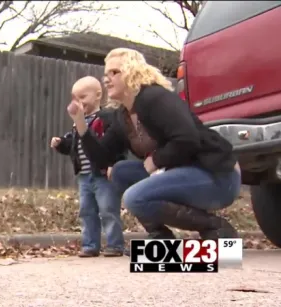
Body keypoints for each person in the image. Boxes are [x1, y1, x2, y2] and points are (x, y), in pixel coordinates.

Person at [66, 48, 241, 253]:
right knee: (120, 171)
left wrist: (155, 160)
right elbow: (101, 158)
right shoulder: (122, 116)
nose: (106, 79)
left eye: (114, 72)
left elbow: (188, 139)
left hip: (216, 176)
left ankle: (216, 228)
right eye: (106, 74)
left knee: (134, 197)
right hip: (179, 176)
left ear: (133, 71)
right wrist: (81, 125)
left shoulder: (156, 97)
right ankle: (161, 238)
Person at [51, 76, 126, 258]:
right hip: (84, 176)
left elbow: (114, 144)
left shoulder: (106, 118)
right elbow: (72, 145)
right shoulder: (78, 123)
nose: (79, 102)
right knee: (87, 211)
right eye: (75, 98)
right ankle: (90, 245)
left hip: (102, 175)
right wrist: (61, 143)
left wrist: (113, 164)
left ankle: (115, 245)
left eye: (83, 97)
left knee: (108, 209)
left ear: (98, 95)